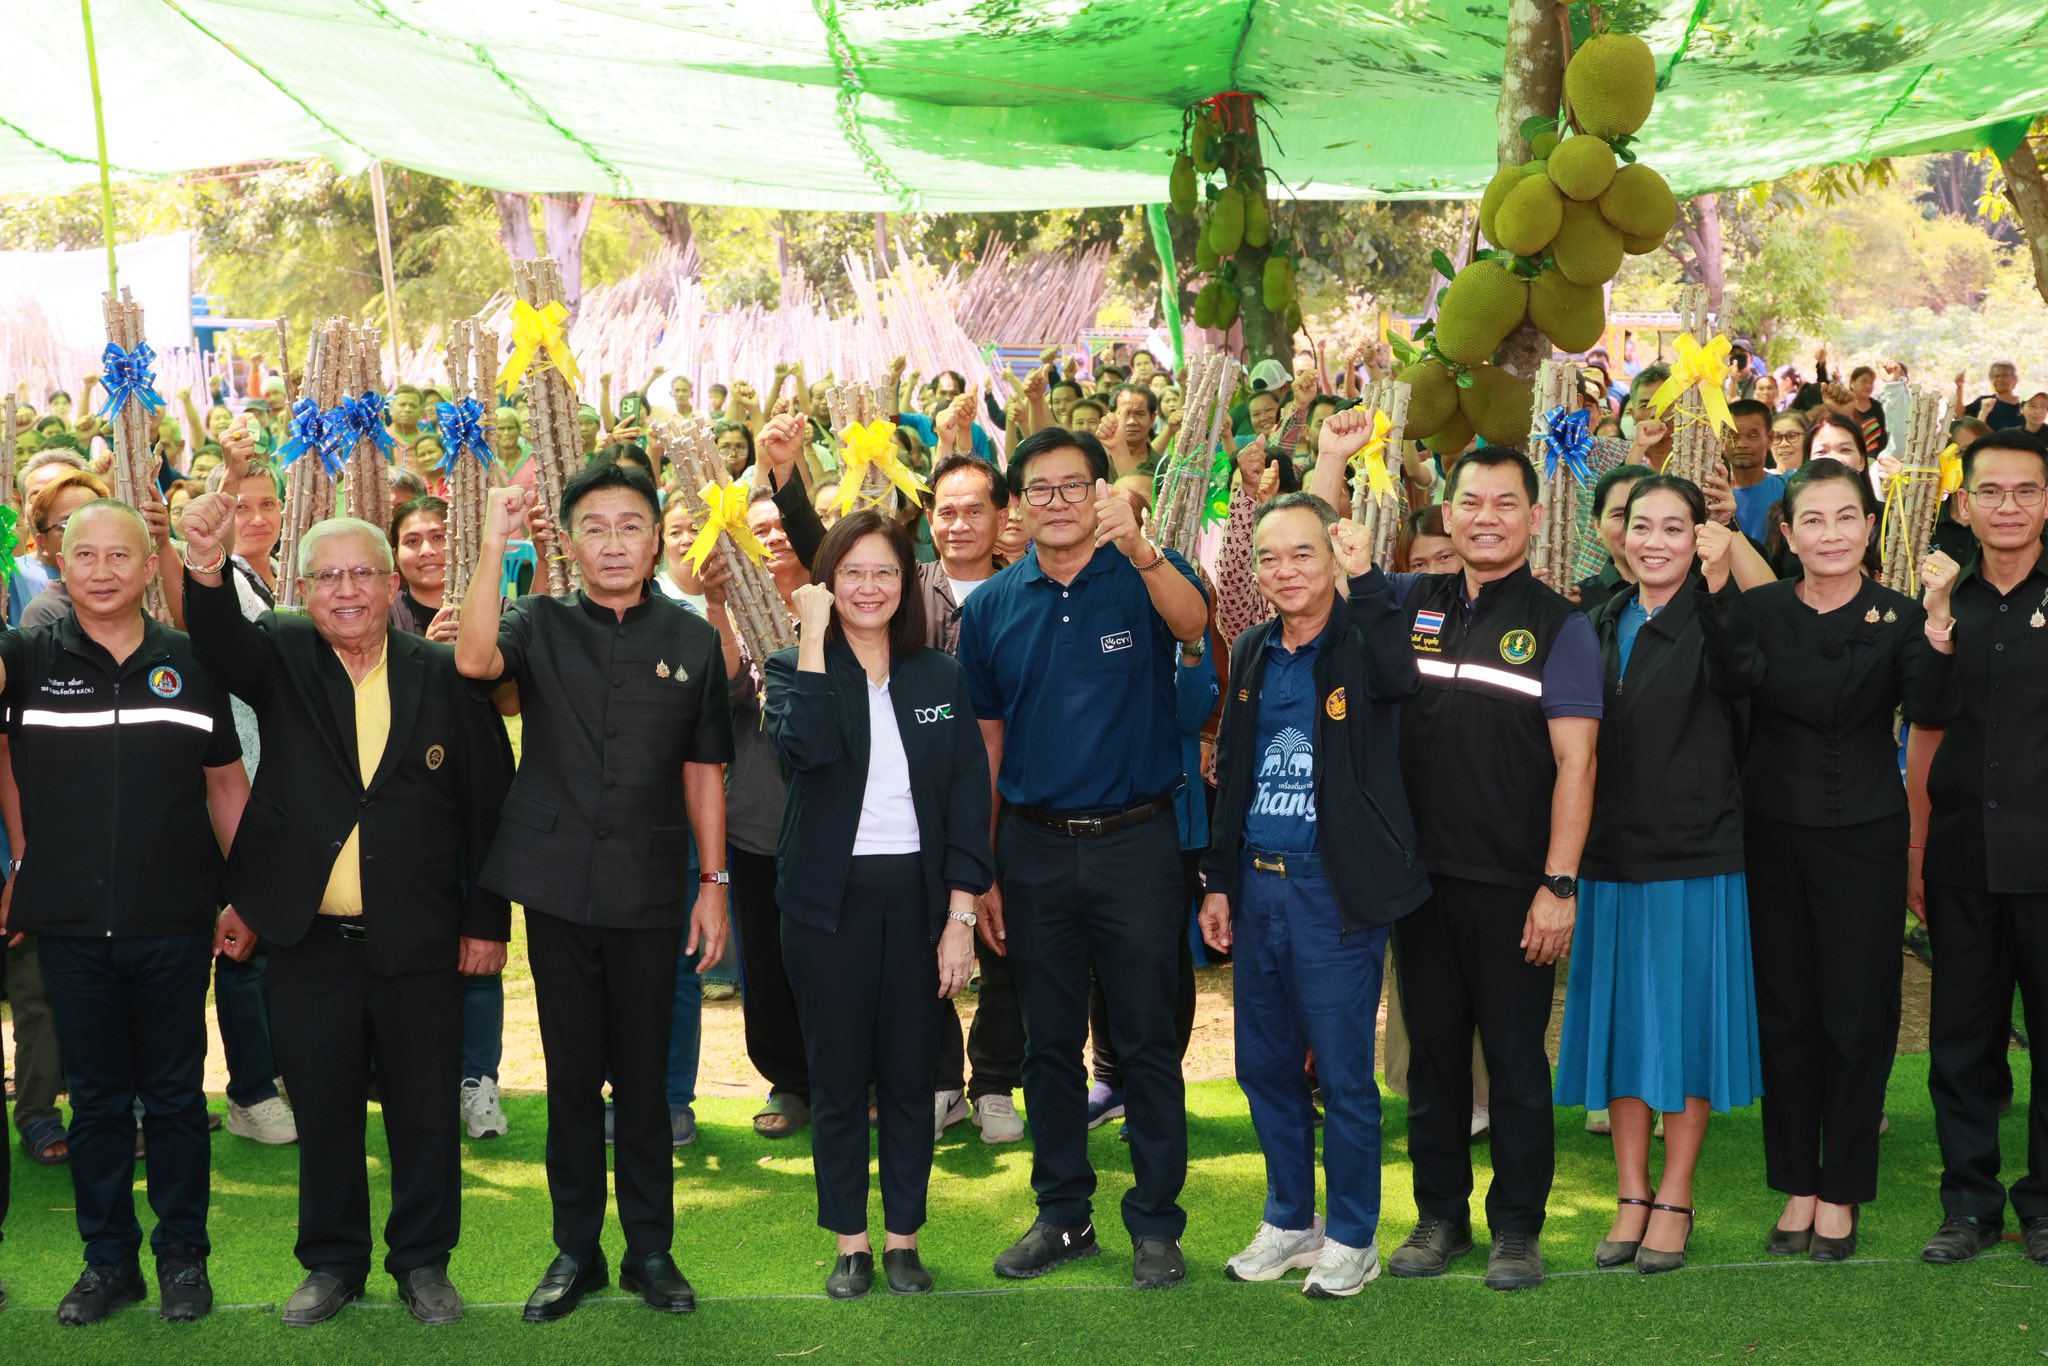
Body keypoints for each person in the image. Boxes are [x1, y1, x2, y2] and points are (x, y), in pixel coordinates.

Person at [182, 501, 514, 1326]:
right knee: (324, 1108)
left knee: (424, 1110)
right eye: (326, 576)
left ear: (391, 583)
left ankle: (424, 1263)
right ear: (302, 590)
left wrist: (487, 922)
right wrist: (202, 557)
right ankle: (331, 1265)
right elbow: (220, 641)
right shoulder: (285, 655)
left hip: (421, 938)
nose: (346, 590)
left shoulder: (441, 672)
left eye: (363, 572)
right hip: (310, 939)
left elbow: (488, 805)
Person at [456, 463, 733, 1320]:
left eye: (631, 526)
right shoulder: (537, 620)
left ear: (655, 540)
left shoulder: (692, 640)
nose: (614, 543)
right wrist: (498, 537)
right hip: (556, 886)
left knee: (644, 1082)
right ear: (569, 543)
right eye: (596, 528)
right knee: (574, 1079)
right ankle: (574, 1252)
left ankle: (651, 1250)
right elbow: (471, 659)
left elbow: (704, 769)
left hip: (653, 888)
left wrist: (714, 883)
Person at [957, 427, 1209, 1290]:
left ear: (1100, 492)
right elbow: (986, 748)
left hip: (1138, 841)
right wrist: (981, 866)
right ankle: (1063, 1213)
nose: (1056, 502)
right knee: (1046, 1043)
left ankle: (1156, 1222)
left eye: (1074, 487)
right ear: (1016, 505)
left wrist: (1139, 547)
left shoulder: (1139, 575)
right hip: (1031, 848)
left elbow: (1195, 622)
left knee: (1146, 1039)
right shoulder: (992, 605)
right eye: (1040, 489)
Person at [0, 499, 248, 1325]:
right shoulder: (28, 658)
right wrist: (27, 857)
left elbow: (224, 783)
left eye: (120, 557)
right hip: (69, 925)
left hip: (174, 919)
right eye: (84, 557)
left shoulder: (191, 659)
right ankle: (108, 1263)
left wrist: (244, 891)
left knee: (175, 1099)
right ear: (57, 566)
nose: (102, 571)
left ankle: (182, 1258)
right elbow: (11, 761)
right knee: (99, 1103)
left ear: (150, 567)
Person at [1197, 487, 1428, 1297]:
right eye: (1269, 556)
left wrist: (1368, 585)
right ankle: (1291, 1219)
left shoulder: (1363, 634)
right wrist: (1218, 882)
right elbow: (1231, 772)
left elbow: (1401, 677)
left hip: (1334, 893)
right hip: (1258, 887)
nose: (1286, 569)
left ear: (1333, 557)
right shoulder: (1256, 645)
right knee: (1264, 1067)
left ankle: (1356, 1236)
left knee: (1341, 1074)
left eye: (1304, 552)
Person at [1382, 445, 1602, 1292]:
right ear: (1448, 512)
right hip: (1419, 884)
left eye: (1505, 503)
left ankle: (1517, 1229)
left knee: (1513, 1064)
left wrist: (1558, 885)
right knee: (1434, 1062)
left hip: (1516, 889)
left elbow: (1577, 765)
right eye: (1470, 502)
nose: (1486, 517)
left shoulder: (1560, 625)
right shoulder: (1411, 602)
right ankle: (1440, 1219)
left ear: (1535, 518)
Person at [764, 509, 993, 1298]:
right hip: (826, 904)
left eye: (886, 572)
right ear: (829, 583)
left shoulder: (939, 678)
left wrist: (960, 917)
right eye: (852, 573)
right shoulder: (794, 667)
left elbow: (969, 796)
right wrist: (815, 637)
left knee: (908, 1075)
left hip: (919, 897)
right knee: (836, 1078)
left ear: (908, 583)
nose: (870, 587)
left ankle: (903, 1241)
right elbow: (807, 750)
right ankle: (850, 1244)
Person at [1741, 459, 1955, 1262]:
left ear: (1870, 527)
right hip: (1769, 832)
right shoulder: (1757, 611)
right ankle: (1797, 1184)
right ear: (1788, 534)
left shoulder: (1902, 616)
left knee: (1858, 1013)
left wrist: (1937, 626)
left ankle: (1842, 1193)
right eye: (1813, 521)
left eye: (1846, 517)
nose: (1831, 534)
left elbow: (1931, 708)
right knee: (1786, 1011)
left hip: (1864, 833)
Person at [1553, 476, 1766, 1276]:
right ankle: (1631, 1194)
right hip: (1608, 859)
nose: (1653, 542)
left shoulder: (1719, 616)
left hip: (1693, 857)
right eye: (1641, 526)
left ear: (1700, 536)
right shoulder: (1600, 618)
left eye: (1674, 528)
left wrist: (1722, 579)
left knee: (1683, 1030)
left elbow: (1747, 673)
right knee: (1622, 1029)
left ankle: (1677, 1194)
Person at [1908, 430, 2048, 1268]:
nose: (2007, 507)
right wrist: (1932, 625)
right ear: (1963, 502)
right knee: (1962, 1040)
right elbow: (1922, 717)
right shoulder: (1943, 600)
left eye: (2025, 491)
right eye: (1990, 492)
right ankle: (1969, 1205)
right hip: (1962, 856)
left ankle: (2043, 1208)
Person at [914, 454, 1027, 1143]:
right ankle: (937, 1081)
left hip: (1011, 797)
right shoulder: (900, 588)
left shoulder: (1026, 592)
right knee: (920, 938)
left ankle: (994, 1082)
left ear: (1001, 514)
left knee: (1005, 940)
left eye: (973, 509)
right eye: (946, 511)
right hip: (915, 806)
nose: (958, 524)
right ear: (930, 518)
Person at [1573, 464, 1654, 614]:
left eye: (1644, 513)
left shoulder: (1699, 595)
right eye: (1618, 515)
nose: (1632, 527)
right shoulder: (1576, 600)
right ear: (1597, 525)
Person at [389, 496, 455, 641]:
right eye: (412, 541)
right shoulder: (382, 617)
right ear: (396, 556)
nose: (427, 550)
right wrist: (428, 651)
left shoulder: (499, 611)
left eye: (438, 537)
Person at [1726, 399, 1787, 542]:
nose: (1741, 444)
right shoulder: (1712, 497)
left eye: (1752, 436)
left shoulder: (1787, 488)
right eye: (1733, 436)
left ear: (1770, 439)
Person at [1957, 362, 2024, 431]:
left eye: (2004, 376)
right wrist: (1959, 387)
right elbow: (1959, 416)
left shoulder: (2026, 405)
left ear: (2015, 379)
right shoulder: (1984, 402)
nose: (2000, 379)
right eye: (1996, 376)